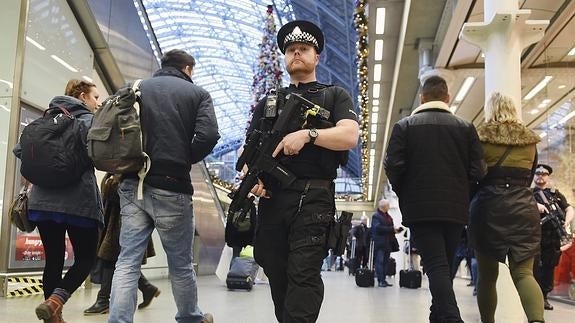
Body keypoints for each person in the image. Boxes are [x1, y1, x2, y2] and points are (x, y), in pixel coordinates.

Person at [246, 20, 359, 322]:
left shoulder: (334, 95)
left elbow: (349, 135)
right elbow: (249, 154)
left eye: (304, 49)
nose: (297, 54)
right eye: (291, 50)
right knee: (274, 267)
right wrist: (254, 179)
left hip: (314, 197)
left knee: (303, 273)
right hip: (273, 200)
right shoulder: (269, 102)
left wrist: (309, 135)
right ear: (284, 57)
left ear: (316, 56)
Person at [108, 49, 220, 323]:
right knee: (180, 263)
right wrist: (185, 157)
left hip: (133, 184)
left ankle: (119, 320)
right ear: (188, 69)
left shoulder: (136, 89)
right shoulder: (197, 94)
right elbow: (209, 135)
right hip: (172, 186)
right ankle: (190, 317)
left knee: (127, 260)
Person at [384, 75, 486, 323]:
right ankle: (436, 315)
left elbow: (393, 168)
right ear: (447, 98)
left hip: (421, 210)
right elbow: (479, 170)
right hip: (455, 209)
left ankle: (450, 318)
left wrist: (406, 195)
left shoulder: (405, 127)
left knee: (438, 266)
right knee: (445, 265)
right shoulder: (466, 128)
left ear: (422, 98)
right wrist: (463, 194)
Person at [13, 79, 103, 323]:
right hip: (79, 203)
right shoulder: (88, 121)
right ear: (82, 97)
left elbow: (19, 150)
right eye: (95, 97)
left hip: (42, 202)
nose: (98, 102)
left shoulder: (44, 120)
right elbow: (100, 156)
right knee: (86, 259)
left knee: (53, 259)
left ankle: (52, 318)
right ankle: (56, 300)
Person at [468, 92, 544, 323]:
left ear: (491, 110)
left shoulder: (481, 139)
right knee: (523, 273)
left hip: (489, 209)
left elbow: (474, 175)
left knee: (487, 276)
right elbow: (530, 176)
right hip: (524, 209)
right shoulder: (530, 142)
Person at [83, 174, 160, 315]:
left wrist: (110, 182)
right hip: (118, 220)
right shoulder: (121, 172)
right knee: (122, 261)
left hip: (120, 222)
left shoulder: (128, 174)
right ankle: (147, 288)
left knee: (110, 259)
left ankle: (103, 300)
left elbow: (115, 194)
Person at [532, 163, 575, 310]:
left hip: (552, 238)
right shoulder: (528, 193)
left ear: (548, 176)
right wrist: (535, 206)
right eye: (537, 173)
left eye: (543, 174)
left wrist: (566, 222)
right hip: (535, 237)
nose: (540, 176)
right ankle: (533, 297)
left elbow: (569, 209)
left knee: (549, 268)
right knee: (534, 267)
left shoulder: (556, 194)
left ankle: (544, 296)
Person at [371, 199, 402, 287]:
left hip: (388, 243)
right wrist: (392, 229)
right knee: (379, 262)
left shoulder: (388, 216)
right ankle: (380, 280)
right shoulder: (376, 216)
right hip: (380, 243)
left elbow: (387, 228)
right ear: (384, 206)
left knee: (385, 262)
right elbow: (377, 228)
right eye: (388, 205)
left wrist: (394, 230)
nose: (389, 207)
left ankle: (383, 280)